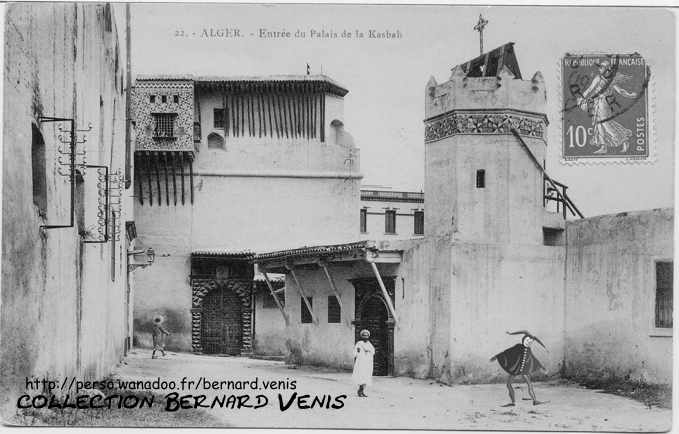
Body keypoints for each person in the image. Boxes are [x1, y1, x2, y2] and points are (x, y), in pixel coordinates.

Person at [576, 59, 638, 154]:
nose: (600, 69)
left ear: (607, 69)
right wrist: (582, 98)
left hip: (603, 103)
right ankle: (603, 147)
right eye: (600, 67)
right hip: (597, 103)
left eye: (602, 68)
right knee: (599, 125)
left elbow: (620, 91)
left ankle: (624, 140)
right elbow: (590, 90)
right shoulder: (599, 78)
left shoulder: (609, 80)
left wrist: (629, 95)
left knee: (605, 124)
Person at [490, 330, 547, 406]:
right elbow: (507, 351)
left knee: (529, 385)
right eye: (527, 340)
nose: (529, 342)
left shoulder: (529, 350)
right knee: (509, 384)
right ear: (524, 340)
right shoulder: (518, 346)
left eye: (530, 341)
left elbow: (534, 358)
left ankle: (534, 401)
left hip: (524, 370)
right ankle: (513, 402)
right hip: (516, 369)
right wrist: (497, 356)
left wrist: (541, 367)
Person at [352, 329, 375, 397]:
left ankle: (362, 391)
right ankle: (360, 390)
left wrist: (368, 351)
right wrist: (358, 351)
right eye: (364, 335)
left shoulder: (369, 344)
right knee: (361, 376)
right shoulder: (359, 343)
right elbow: (355, 353)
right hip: (361, 362)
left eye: (367, 335)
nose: (366, 337)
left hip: (367, 362)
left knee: (366, 376)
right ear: (362, 336)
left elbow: (373, 351)